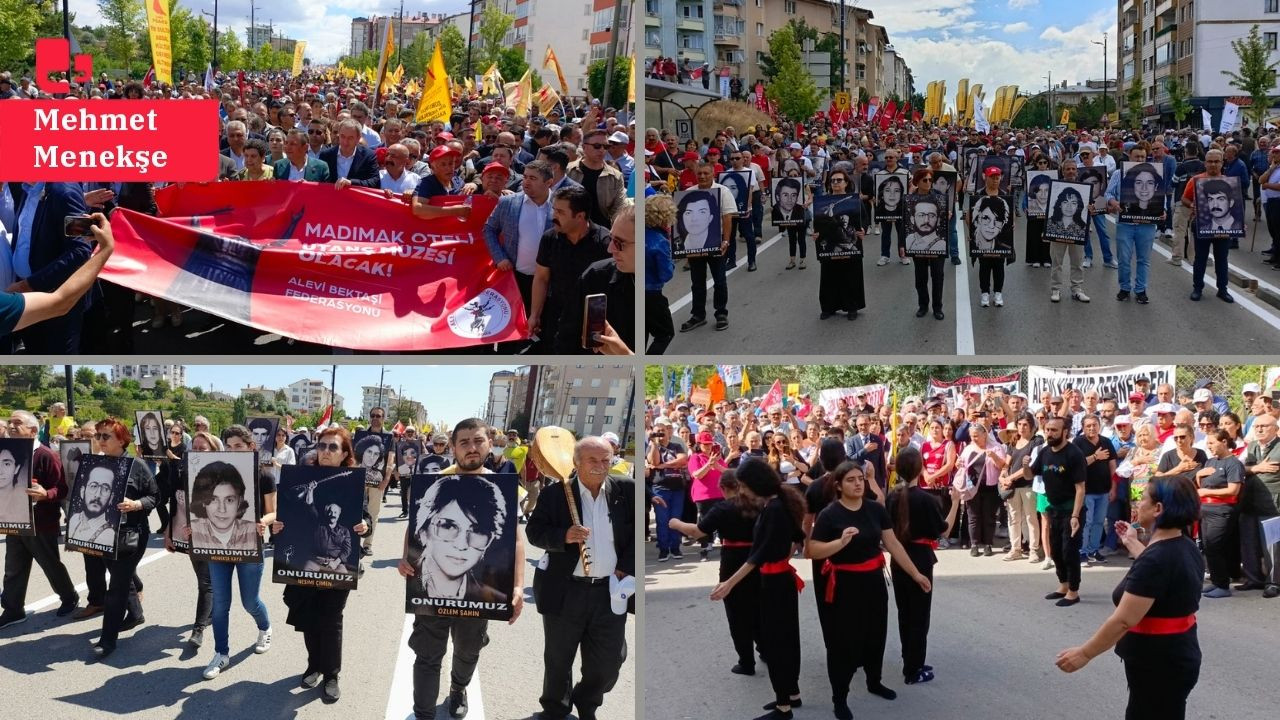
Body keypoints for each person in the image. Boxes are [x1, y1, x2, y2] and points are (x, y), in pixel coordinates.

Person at [1056, 476, 1203, 720]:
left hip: (1158, 663)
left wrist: (1084, 653)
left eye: (1142, 498)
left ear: (1158, 509)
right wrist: (1134, 544)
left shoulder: (1156, 560)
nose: (1137, 502)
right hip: (1175, 657)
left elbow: (1124, 619)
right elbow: (1160, 576)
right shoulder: (1184, 545)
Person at [807, 458, 931, 720]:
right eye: (851, 480)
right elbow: (812, 550)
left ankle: (874, 681)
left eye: (860, 479)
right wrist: (839, 543)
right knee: (844, 645)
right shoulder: (830, 514)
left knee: (876, 636)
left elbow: (893, 544)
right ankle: (839, 698)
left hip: (874, 584)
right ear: (839, 486)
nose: (858, 484)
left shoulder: (876, 509)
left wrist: (916, 573)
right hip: (844, 588)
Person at [526, 436, 632, 720]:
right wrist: (563, 536)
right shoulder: (555, 495)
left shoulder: (626, 490)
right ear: (576, 463)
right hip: (566, 589)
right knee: (559, 658)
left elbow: (637, 534)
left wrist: (627, 565)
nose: (600, 466)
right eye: (592, 460)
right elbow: (534, 532)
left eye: (605, 460)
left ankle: (586, 699)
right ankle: (556, 710)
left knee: (610, 661)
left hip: (609, 591)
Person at [273, 426, 370, 703]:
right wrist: (278, 527)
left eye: (333, 447)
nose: (326, 452)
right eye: (322, 446)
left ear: (344, 454)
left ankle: (331, 674)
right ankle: (313, 664)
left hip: (338, 563)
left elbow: (364, 518)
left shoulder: (353, 482)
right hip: (307, 558)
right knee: (308, 616)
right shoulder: (301, 477)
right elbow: (296, 515)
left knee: (331, 619)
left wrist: (365, 526)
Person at [711, 459, 805, 720]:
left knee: (778, 644)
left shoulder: (774, 507)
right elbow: (796, 538)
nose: (741, 491)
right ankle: (791, 694)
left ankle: (783, 706)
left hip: (775, 583)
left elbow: (758, 554)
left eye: (742, 485)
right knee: (785, 641)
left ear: (754, 483)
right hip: (779, 580)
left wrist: (729, 582)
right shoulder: (778, 502)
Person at [201, 425, 277, 680]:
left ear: (251, 447)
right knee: (221, 604)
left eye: (239, 446)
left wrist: (264, 522)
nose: (233, 450)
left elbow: (273, 511)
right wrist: (194, 528)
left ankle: (264, 627)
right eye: (229, 446)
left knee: (249, 601)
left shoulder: (264, 475)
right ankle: (221, 653)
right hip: (218, 546)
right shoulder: (215, 475)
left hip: (249, 544)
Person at [668, 470, 760, 674]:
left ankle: (746, 661)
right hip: (758, 556)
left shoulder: (723, 508)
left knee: (737, 612)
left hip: (733, 558)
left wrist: (676, 523)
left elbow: (697, 531)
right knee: (759, 605)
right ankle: (764, 648)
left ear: (724, 488)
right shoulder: (758, 504)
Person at [885, 448, 961, 686]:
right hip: (919, 558)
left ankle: (911, 658)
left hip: (898, 557)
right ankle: (913, 667)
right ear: (920, 468)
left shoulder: (893, 496)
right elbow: (944, 530)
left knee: (905, 612)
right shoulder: (927, 499)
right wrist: (956, 502)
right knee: (919, 616)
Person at [0, 410, 78, 628]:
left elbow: (61, 488)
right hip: (14, 520)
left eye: (18, 423)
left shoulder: (45, 455)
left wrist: (45, 494)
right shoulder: (4, 453)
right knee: (13, 567)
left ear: (33, 430)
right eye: (10, 423)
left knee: (50, 564)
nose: (12, 426)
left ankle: (69, 597)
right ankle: (14, 610)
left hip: (41, 523)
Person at [89, 418, 159, 659]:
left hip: (131, 536)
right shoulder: (95, 464)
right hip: (102, 534)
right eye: (98, 436)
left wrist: (137, 504)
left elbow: (154, 497)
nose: (100, 441)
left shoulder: (137, 465)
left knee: (116, 586)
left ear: (121, 440)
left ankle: (107, 640)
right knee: (123, 578)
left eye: (106, 436)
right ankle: (136, 614)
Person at [529, 186, 613, 351]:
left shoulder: (605, 243)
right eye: (554, 210)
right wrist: (535, 315)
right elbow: (541, 278)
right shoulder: (549, 239)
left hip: (592, 322)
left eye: (561, 212)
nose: (554, 216)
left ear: (580, 216)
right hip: (558, 316)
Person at [1019, 416, 1086, 607]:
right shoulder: (1045, 452)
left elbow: (1081, 488)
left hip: (1071, 510)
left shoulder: (1074, 454)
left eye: (1054, 430)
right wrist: (1025, 464)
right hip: (1053, 509)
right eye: (1047, 429)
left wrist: (1075, 516)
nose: (1049, 433)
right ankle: (1063, 585)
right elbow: (1030, 474)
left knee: (1069, 551)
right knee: (1056, 551)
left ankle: (1073, 591)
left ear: (1065, 432)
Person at [556, 203, 636, 355]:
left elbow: (663, 333)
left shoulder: (652, 289)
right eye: (611, 239)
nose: (610, 249)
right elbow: (566, 337)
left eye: (619, 243)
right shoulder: (595, 276)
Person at [483, 160, 557, 317]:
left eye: (533, 178)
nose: (526, 182)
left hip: (551, 280)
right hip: (516, 279)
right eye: (525, 177)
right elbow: (489, 229)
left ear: (549, 182)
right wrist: (500, 257)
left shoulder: (560, 205)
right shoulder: (508, 202)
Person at [679, 163, 736, 331]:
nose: (702, 176)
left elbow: (727, 218)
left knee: (719, 280)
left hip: (716, 245)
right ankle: (698, 315)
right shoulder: (688, 193)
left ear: (713, 174)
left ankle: (721, 313)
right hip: (694, 248)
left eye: (706, 173)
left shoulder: (723, 192)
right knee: (697, 282)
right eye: (699, 174)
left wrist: (726, 241)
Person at [1106, 146, 1161, 304]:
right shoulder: (1118, 174)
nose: (1139, 160)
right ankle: (1124, 287)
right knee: (1124, 258)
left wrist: (1162, 211)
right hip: (1126, 223)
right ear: (1129, 156)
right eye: (1137, 157)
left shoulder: (1155, 172)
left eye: (1143, 157)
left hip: (1147, 224)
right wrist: (1114, 202)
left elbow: (1160, 195)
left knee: (1144, 259)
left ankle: (1141, 289)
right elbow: (1108, 193)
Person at [1181, 150, 1236, 302]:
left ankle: (1222, 289)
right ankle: (1197, 288)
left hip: (1224, 228)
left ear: (1222, 163)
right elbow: (1184, 199)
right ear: (1205, 163)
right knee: (1200, 258)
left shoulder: (1229, 182)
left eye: (1216, 161)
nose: (1213, 164)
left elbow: (1236, 206)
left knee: (1222, 259)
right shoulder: (1196, 180)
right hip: (1201, 224)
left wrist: (1239, 223)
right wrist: (1192, 205)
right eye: (1210, 161)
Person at [1196, 429, 1244, 598]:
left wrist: (1206, 493)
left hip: (1222, 510)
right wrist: (1198, 474)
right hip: (1206, 511)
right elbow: (1202, 485)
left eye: (1212, 443)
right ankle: (1216, 582)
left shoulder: (1233, 464)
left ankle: (1223, 584)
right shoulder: (1210, 462)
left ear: (1224, 442)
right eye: (1207, 443)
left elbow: (1233, 490)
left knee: (1216, 547)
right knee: (1208, 547)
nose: (1209, 447)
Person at [814, 169, 866, 320]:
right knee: (829, 277)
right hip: (830, 246)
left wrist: (863, 230)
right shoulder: (823, 201)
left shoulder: (855, 201)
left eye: (839, 180)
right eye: (833, 180)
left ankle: (852, 307)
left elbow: (863, 220)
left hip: (850, 244)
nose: (835, 183)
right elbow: (819, 224)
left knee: (851, 276)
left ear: (846, 183)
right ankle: (828, 307)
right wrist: (816, 233)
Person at [1073, 416, 1117, 564]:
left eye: (1094, 425)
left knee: (1099, 522)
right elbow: (1078, 464)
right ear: (1083, 427)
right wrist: (1095, 456)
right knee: (1087, 522)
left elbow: (1112, 466)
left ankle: (1093, 550)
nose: (1092, 428)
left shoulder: (1106, 442)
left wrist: (1113, 486)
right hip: (1086, 491)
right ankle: (1082, 552)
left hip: (1104, 490)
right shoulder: (1078, 442)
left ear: (1099, 426)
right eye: (1088, 426)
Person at [189, 461, 260, 552]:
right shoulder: (192, 529)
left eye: (229, 500)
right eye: (213, 499)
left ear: (240, 501)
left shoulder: (252, 531)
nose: (222, 509)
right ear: (202, 500)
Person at [906, 169, 947, 320]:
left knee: (937, 276)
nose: (928, 183)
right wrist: (902, 245)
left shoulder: (939, 197)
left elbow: (946, 218)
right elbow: (904, 221)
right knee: (921, 277)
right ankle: (923, 305)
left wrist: (948, 215)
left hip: (936, 244)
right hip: (917, 244)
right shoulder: (910, 199)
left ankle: (938, 307)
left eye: (930, 180)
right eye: (925, 180)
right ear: (917, 181)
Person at [968, 168, 1010, 307]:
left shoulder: (1005, 195)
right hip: (981, 248)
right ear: (985, 177)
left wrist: (1012, 225)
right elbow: (968, 216)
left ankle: (998, 293)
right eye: (992, 177)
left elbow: (1011, 219)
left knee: (999, 267)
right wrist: (971, 232)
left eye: (997, 177)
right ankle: (984, 292)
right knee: (984, 267)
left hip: (999, 248)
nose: (995, 180)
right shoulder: (978, 195)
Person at [318, 119, 380, 189]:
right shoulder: (326, 155)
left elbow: (375, 181)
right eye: (342, 136)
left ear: (358, 138)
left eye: (350, 138)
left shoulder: (368, 156)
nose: (345, 142)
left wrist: (351, 183)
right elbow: (318, 181)